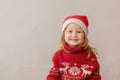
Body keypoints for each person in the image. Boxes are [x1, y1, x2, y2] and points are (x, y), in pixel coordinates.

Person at [46, 15, 101, 80]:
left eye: (78, 32)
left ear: (84, 36)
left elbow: (95, 78)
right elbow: (53, 76)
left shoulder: (90, 56)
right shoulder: (58, 55)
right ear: (64, 35)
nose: (74, 35)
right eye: (70, 31)